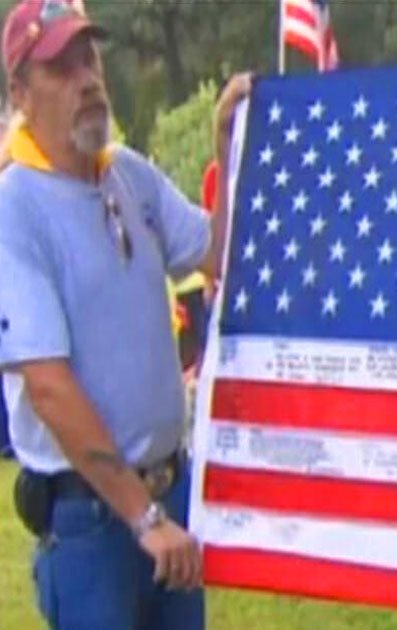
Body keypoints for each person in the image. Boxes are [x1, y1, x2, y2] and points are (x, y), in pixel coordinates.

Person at [0, 0, 250, 628]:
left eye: (90, 58)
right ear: (20, 92)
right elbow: (49, 387)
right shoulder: (15, 208)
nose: (86, 78)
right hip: (94, 523)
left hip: (169, 497)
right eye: (61, 66)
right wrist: (145, 518)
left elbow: (219, 253)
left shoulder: (128, 175)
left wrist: (230, 141)